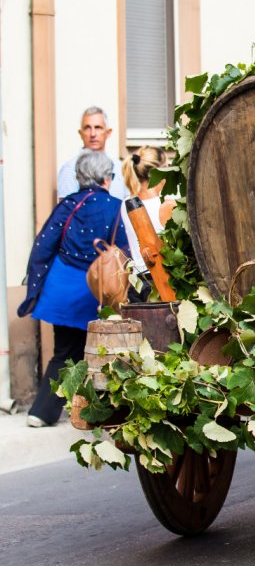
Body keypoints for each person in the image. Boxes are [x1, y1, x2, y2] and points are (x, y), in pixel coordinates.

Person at [19, 150, 130, 427]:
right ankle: (94, 412)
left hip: (60, 290)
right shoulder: (116, 207)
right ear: (106, 178)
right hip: (93, 291)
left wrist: (33, 285)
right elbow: (124, 252)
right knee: (96, 354)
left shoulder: (67, 205)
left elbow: (43, 246)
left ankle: (42, 413)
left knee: (64, 352)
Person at [120, 146, 175, 298]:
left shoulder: (126, 204)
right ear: (161, 171)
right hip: (164, 282)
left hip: (138, 281)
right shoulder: (167, 203)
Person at [57, 106, 127, 201]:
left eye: (98, 127)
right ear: (80, 133)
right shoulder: (70, 169)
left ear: (108, 132)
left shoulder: (120, 168)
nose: (93, 134)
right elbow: (67, 211)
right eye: (87, 128)